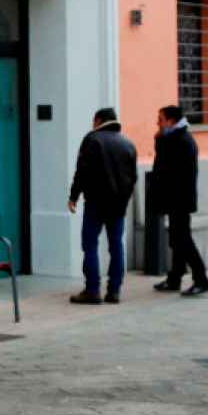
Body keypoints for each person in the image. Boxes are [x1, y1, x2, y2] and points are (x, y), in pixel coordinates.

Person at [67, 107, 138, 305]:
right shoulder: (128, 144)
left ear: (98, 120)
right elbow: (133, 178)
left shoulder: (92, 139)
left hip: (96, 203)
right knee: (116, 245)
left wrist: (73, 196)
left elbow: (82, 171)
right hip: (118, 204)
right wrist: (124, 199)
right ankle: (114, 291)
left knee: (90, 245)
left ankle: (92, 290)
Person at [150, 105, 208, 297]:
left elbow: (166, 168)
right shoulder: (175, 138)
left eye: (160, 119)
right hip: (176, 199)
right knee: (176, 239)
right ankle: (174, 277)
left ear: (171, 121)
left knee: (182, 240)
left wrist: (159, 140)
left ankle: (201, 279)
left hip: (179, 200)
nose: (157, 123)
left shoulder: (181, 140)